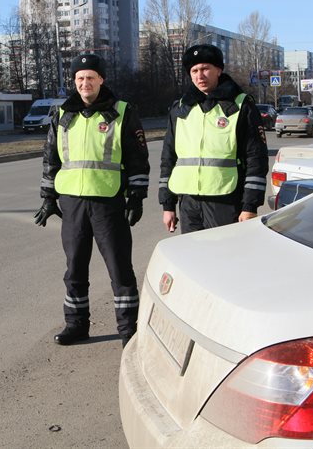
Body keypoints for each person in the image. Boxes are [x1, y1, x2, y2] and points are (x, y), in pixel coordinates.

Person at [34, 53, 150, 347]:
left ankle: (129, 332)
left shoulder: (121, 111)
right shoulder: (62, 115)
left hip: (108, 203)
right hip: (72, 204)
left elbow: (138, 159)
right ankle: (76, 324)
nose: (85, 83)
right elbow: (51, 158)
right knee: (74, 268)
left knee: (119, 269)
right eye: (79, 78)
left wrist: (136, 196)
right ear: (74, 82)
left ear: (101, 80)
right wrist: (48, 197)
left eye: (90, 77)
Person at [159, 44, 268, 234]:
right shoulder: (181, 108)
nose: (199, 76)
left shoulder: (240, 105)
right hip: (189, 203)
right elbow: (169, 158)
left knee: (224, 259)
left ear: (218, 70)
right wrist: (168, 205)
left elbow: (256, 159)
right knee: (192, 260)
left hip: (226, 201)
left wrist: (250, 206)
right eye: (194, 71)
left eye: (205, 69)